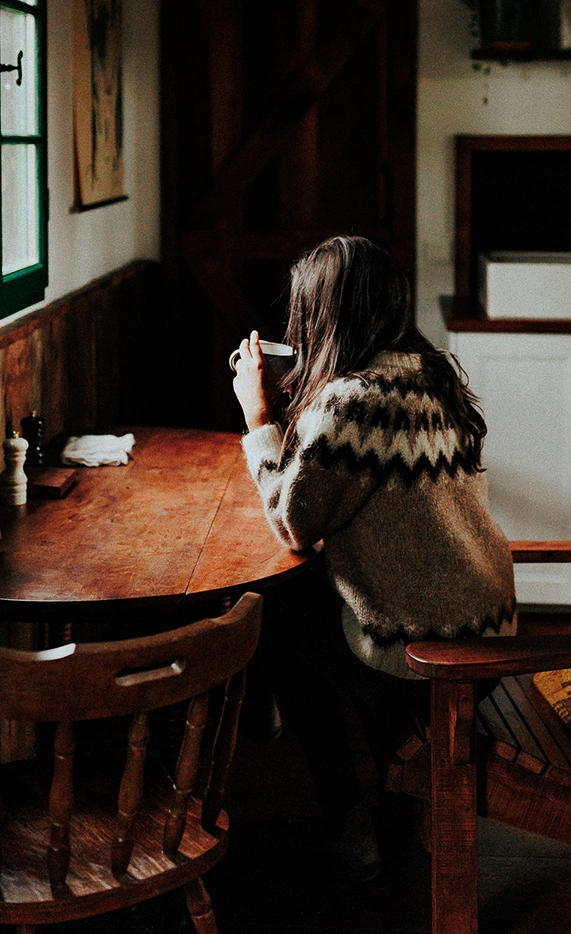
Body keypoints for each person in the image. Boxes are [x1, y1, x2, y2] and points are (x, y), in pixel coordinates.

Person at [232, 235, 516, 879]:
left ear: (323, 320)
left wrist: (258, 417)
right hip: (485, 625)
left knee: (272, 615)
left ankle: (345, 806)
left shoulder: (354, 403)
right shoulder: (432, 375)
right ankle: (357, 775)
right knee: (302, 605)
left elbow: (292, 522)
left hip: (429, 653)